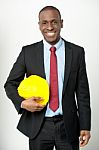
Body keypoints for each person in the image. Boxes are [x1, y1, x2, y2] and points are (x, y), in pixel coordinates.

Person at [4, 6, 91, 150]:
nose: (49, 27)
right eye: (44, 22)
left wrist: (85, 126)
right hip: (39, 126)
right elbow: (10, 84)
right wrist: (23, 103)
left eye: (54, 22)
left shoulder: (77, 52)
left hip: (68, 125)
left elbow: (83, 94)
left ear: (61, 23)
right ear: (39, 25)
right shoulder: (28, 52)